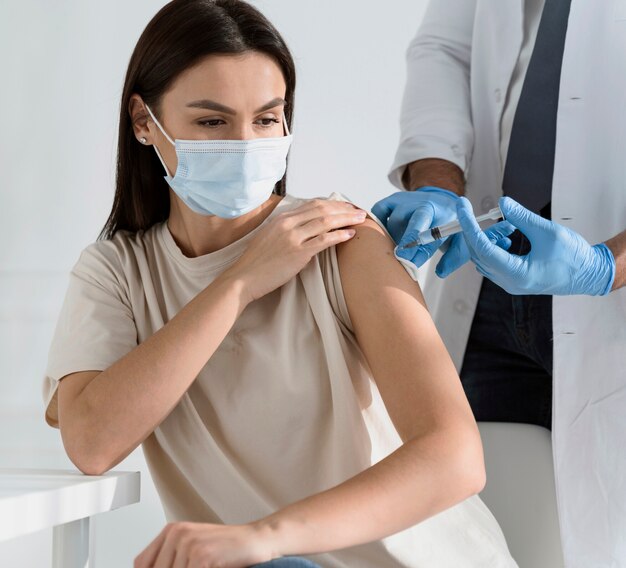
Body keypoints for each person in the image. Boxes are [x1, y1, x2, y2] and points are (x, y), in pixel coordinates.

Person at [41, 1, 518, 567]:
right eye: (212, 121)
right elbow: (92, 443)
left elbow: (455, 458)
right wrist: (240, 283)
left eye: (266, 119)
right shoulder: (116, 272)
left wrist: (266, 537)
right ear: (145, 122)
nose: (245, 143)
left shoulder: (346, 241)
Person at [372, 0, 626, 566]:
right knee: (466, 534)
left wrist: (606, 265)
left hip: (616, 302)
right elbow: (446, 48)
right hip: (486, 276)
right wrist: (437, 180)